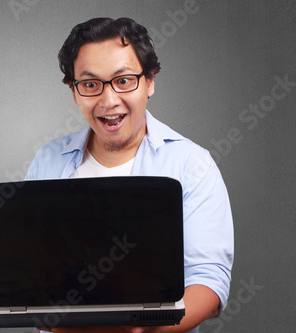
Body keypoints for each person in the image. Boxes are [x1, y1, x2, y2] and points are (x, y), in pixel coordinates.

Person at [25, 17, 234, 333]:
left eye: (123, 81)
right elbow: (30, 270)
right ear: (74, 91)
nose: (109, 101)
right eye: (91, 84)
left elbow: (208, 283)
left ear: (149, 81)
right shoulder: (49, 159)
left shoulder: (193, 164)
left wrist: (140, 329)